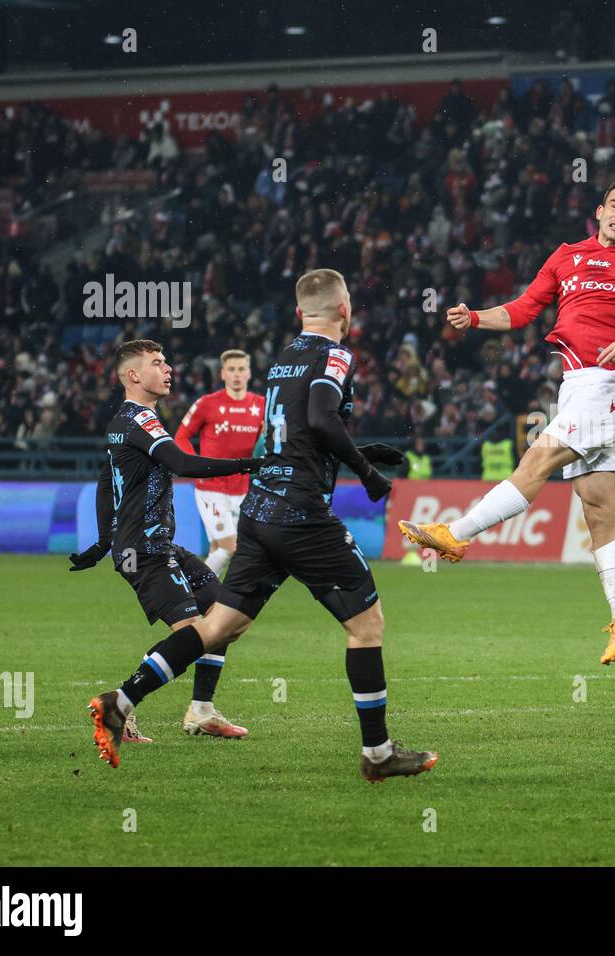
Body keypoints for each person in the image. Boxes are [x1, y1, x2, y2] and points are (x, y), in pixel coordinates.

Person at [88, 270, 435, 781]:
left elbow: (297, 434)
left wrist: (356, 451)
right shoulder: (335, 355)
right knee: (366, 626)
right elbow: (320, 416)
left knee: (220, 626)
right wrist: (365, 474)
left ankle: (120, 700)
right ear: (345, 310)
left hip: (259, 513)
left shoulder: (282, 362)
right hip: (303, 518)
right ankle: (378, 753)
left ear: (300, 313)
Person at [398, 179, 615, 665]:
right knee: (599, 508)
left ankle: (457, 533)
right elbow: (525, 309)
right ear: (600, 209)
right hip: (575, 385)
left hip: (611, 385)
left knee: (537, 458)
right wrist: (476, 317)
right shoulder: (567, 255)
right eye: (614, 206)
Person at [69, 339, 261, 740]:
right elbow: (182, 463)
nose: (169, 369)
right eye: (158, 363)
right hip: (144, 550)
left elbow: (107, 483)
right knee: (195, 630)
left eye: (167, 362)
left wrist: (104, 541)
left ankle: (202, 711)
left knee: (226, 618)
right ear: (133, 375)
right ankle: (120, 704)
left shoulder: (126, 422)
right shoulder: (139, 420)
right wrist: (251, 464)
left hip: (156, 545)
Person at [174, 349, 266, 578]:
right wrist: (194, 467)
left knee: (219, 550)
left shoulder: (261, 406)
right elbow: (181, 437)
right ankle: (193, 595)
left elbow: (268, 444)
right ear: (223, 374)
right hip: (211, 488)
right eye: (232, 369)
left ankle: (206, 604)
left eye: (241, 369)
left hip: (242, 490)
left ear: (249, 373)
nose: (237, 374)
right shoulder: (207, 404)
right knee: (229, 547)